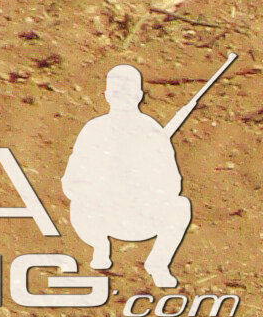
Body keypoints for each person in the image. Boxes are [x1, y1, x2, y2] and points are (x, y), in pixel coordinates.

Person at [63, 63, 195, 288]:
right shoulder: (94, 130)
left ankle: (158, 265)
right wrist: (98, 186)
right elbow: (71, 180)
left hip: (141, 214)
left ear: (139, 95)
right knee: (79, 203)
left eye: (128, 90)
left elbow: (173, 184)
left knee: (180, 206)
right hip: (102, 215)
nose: (122, 95)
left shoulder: (151, 132)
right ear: (106, 94)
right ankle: (100, 246)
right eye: (116, 90)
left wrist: (144, 182)